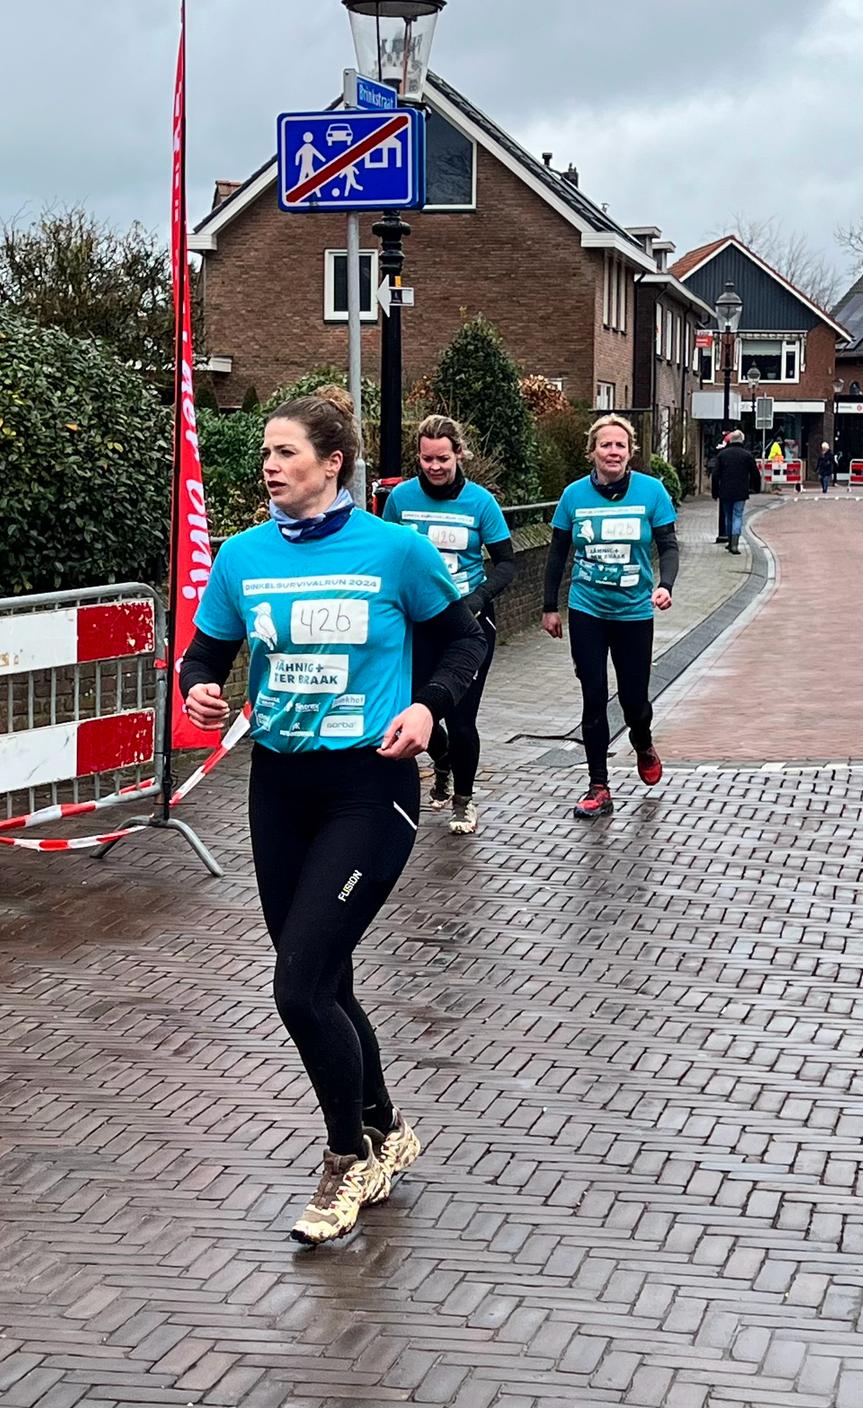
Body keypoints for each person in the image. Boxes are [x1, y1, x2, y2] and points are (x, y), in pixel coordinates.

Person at [180, 388, 486, 1246]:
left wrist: (427, 707)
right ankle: (387, 1128)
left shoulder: (394, 550)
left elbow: (466, 639)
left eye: (285, 452)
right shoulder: (243, 557)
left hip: (368, 786)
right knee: (325, 979)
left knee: (299, 985)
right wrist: (198, 689)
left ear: (331, 462)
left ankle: (346, 1158)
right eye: (266, 454)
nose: (269, 466)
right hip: (279, 786)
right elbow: (205, 653)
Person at [541, 413, 678, 820]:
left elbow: (669, 546)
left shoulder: (652, 492)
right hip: (587, 609)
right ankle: (598, 786)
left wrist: (666, 584)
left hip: (634, 611)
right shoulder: (573, 496)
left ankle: (642, 740)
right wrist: (549, 606)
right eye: (605, 445)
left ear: (630, 452)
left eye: (620, 445)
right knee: (594, 696)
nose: (613, 452)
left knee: (634, 701)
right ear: (593, 452)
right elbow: (557, 553)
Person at [383, 414, 515, 834]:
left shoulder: (480, 502)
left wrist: (478, 598)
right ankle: (441, 760)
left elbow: (507, 563)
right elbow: (388, 557)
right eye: (427, 459)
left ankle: (463, 800)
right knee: (412, 706)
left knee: (460, 718)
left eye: (443, 458)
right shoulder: (400, 499)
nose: (435, 467)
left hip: (467, 624)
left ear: (459, 454)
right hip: (417, 623)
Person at [711, 428, 761, 553]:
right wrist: (756, 488)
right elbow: (755, 473)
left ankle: (730, 541)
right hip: (741, 491)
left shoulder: (722, 455)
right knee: (737, 516)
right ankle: (735, 543)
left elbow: (715, 475)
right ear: (742, 440)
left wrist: (715, 491)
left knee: (728, 516)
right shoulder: (747, 455)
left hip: (725, 491)